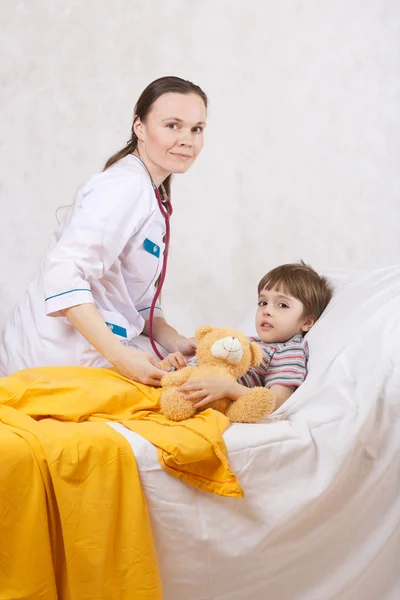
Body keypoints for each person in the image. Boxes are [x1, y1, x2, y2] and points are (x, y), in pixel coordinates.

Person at [0, 76, 208, 384]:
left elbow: (135, 299)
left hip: (94, 350)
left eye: (196, 129)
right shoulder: (123, 186)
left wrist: (175, 340)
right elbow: (62, 273)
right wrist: (124, 360)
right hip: (55, 362)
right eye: (172, 125)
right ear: (140, 127)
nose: (187, 139)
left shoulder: (149, 190)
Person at [164, 262, 333, 411]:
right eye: (263, 303)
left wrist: (230, 389)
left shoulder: (289, 350)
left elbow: (277, 401)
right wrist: (178, 365)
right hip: (178, 388)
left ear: (307, 322)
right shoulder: (246, 342)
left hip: (203, 402)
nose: (267, 311)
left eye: (282, 305)